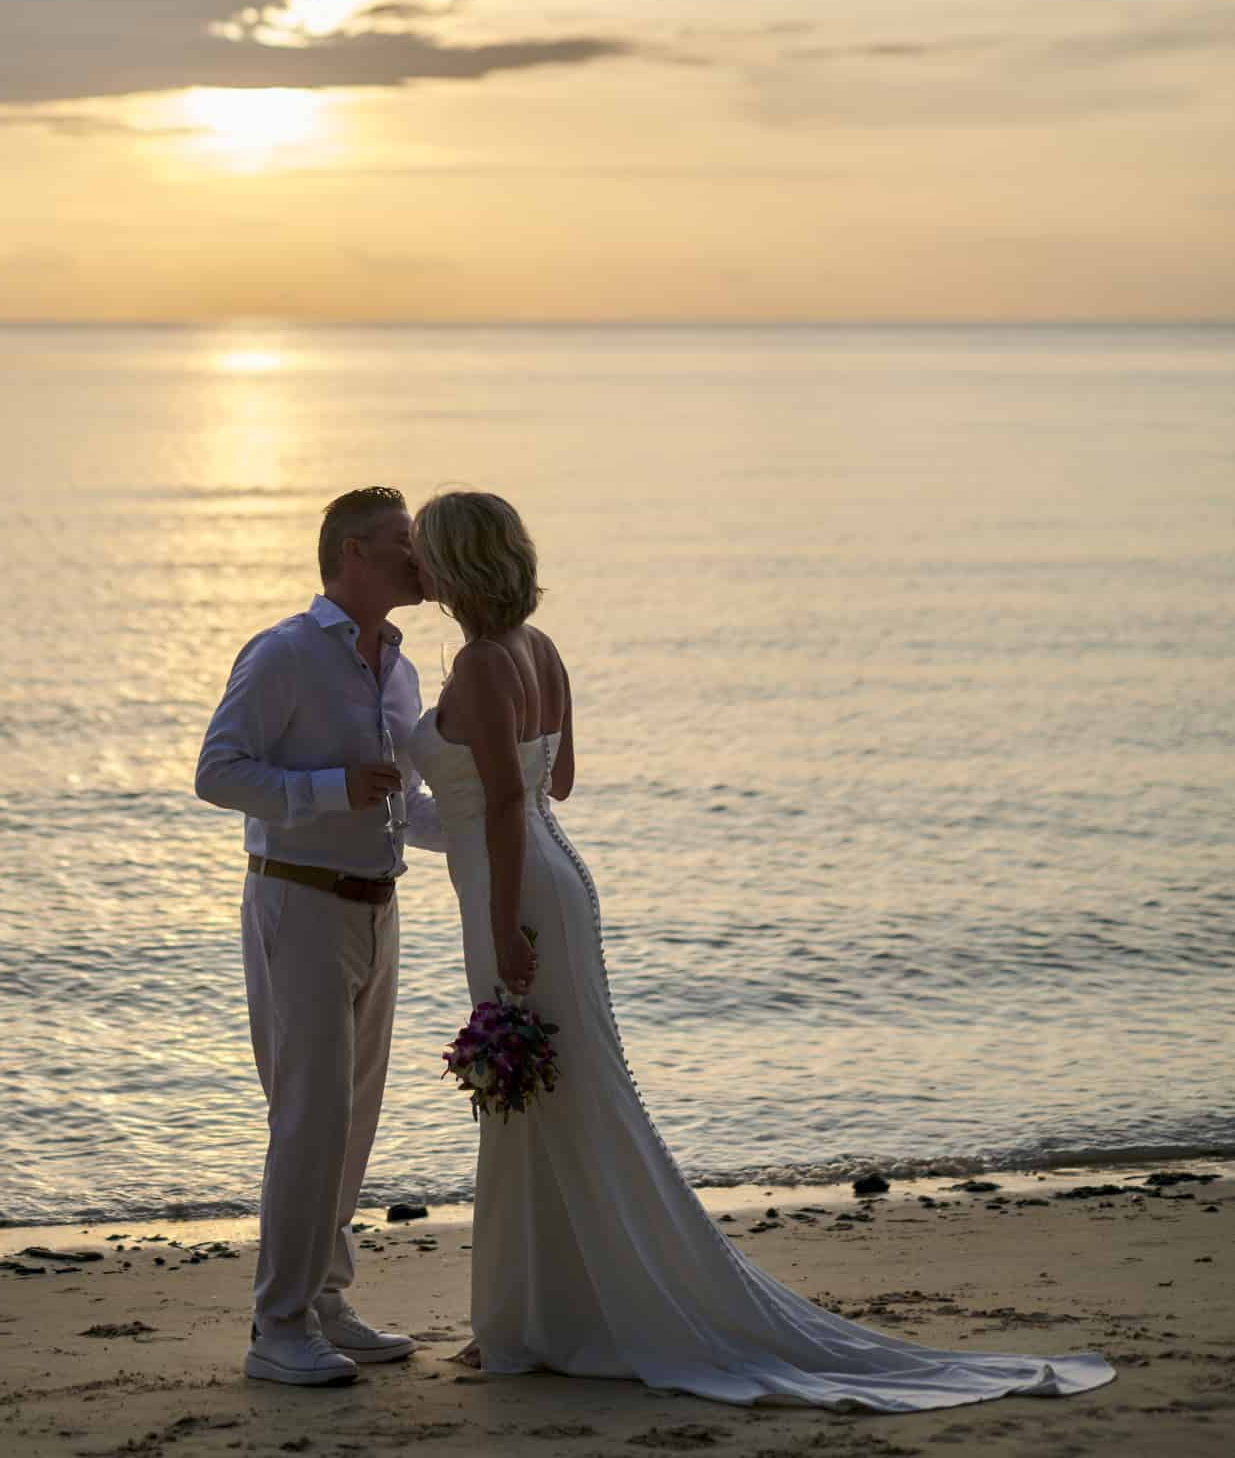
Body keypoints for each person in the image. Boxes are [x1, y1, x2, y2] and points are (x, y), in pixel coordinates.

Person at [407, 488, 1115, 1412]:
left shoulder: (475, 665)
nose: (415, 565)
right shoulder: (540, 651)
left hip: (516, 892)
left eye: (423, 550)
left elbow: (501, 804)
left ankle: (525, 1325)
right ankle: (539, 1315)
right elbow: (559, 783)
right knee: (559, 1090)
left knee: (535, 1094)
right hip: (558, 871)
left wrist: (502, 922)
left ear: (456, 565)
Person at [195, 484, 444, 1387]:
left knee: (354, 1119)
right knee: (309, 1118)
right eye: (400, 545)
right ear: (349, 556)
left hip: (379, 906)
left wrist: (496, 825)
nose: (419, 560)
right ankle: (278, 1325)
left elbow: (401, 805)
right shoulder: (284, 654)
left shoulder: (401, 666)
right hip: (296, 905)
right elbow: (217, 775)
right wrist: (330, 788)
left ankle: (325, 1299)